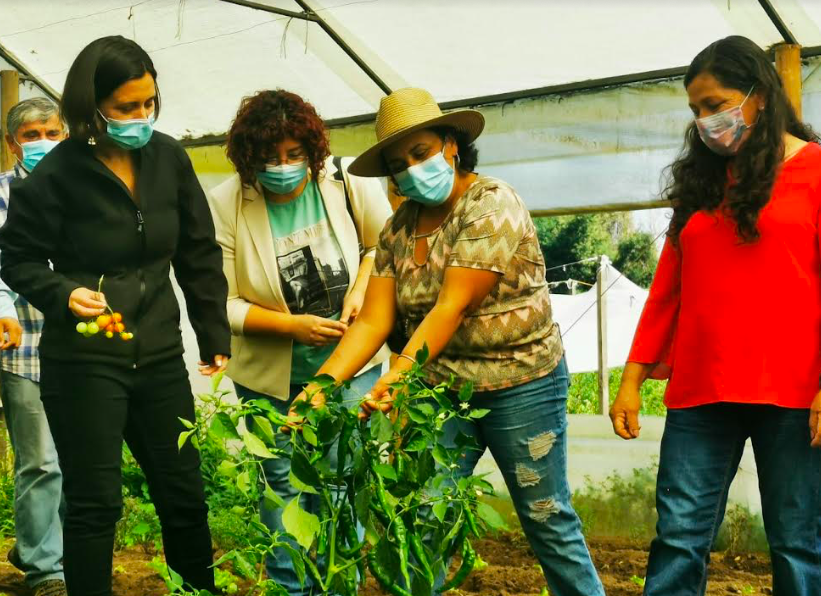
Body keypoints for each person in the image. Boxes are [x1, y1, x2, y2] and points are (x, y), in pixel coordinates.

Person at [291, 87, 605, 596]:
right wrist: (323, 383)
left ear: (451, 145)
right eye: (401, 163)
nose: (414, 169)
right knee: (421, 518)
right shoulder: (398, 229)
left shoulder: (491, 204)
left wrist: (398, 373)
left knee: (545, 514)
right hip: (442, 391)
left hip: (521, 384)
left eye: (422, 153)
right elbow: (372, 321)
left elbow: (451, 306)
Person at [0, 36, 230, 596]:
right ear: (92, 106)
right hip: (83, 361)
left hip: (157, 353)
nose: (141, 117)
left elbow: (199, 248)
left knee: (183, 494)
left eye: (148, 103)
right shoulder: (57, 175)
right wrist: (61, 292)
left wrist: (211, 330)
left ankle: (196, 590)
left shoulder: (169, 157)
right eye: (126, 107)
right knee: (94, 503)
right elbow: (16, 256)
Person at [609, 36, 821, 596]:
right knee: (678, 538)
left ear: (760, 95)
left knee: (798, 543)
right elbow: (668, 289)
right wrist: (632, 378)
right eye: (697, 110)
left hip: (796, 391)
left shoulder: (818, 172)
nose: (706, 121)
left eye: (717, 103)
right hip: (702, 391)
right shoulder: (701, 184)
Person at [209, 89, 392, 594]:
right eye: (270, 159)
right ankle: (292, 589)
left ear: (314, 152)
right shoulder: (226, 204)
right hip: (269, 379)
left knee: (343, 486)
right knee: (281, 491)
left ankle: (339, 586)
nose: (284, 167)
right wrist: (292, 326)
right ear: (248, 161)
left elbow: (385, 246)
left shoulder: (345, 180)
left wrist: (359, 289)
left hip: (350, 367)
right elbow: (220, 303)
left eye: (295, 156)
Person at [0, 97, 66, 596]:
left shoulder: (85, 195)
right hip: (21, 344)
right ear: (12, 144)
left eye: (51, 132)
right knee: (40, 460)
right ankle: (47, 571)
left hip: (80, 345)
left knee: (77, 457)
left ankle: (37, 548)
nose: (42, 142)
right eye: (30, 135)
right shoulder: (1, 196)